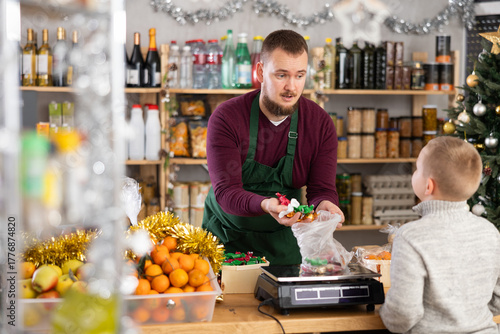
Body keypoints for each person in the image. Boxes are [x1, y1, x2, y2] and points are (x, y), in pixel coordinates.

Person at [202, 29, 344, 266]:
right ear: (260, 72)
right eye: (281, 75)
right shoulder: (227, 118)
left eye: (299, 75)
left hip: (284, 243)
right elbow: (226, 192)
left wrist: (325, 204)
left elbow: (322, 188)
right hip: (227, 240)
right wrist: (266, 204)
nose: (292, 87)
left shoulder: (319, 124)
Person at [379, 136, 500, 333]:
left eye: (417, 168)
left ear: (429, 186)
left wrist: (384, 314)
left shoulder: (410, 237)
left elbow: (403, 313)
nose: (414, 172)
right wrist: (468, 316)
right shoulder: (490, 232)